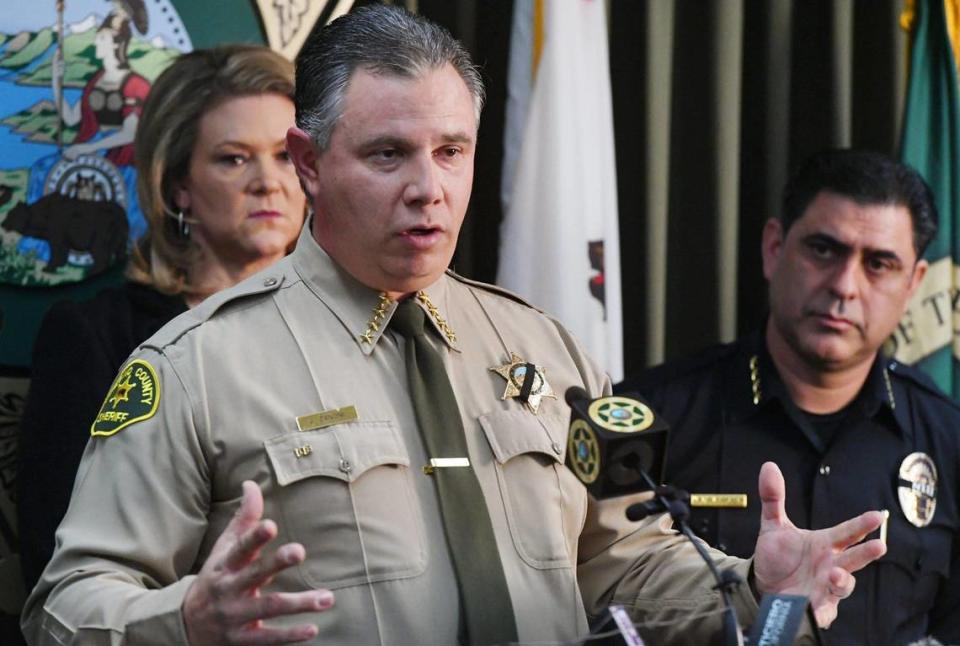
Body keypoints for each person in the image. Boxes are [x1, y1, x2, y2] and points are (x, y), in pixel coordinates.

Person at [21, 8, 884, 645]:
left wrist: (751, 585)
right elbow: (66, 606)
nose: (429, 188)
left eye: (453, 150)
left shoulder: (541, 347)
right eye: (389, 154)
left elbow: (617, 565)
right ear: (312, 165)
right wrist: (188, 621)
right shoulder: (195, 365)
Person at [616, 148, 959, 645]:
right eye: (824, 250)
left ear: (914, 285)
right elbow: (598, 595)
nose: (844, 286)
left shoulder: (948, 439)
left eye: (879, 264)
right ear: (774, 248)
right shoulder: (653, 419)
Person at [16, 43, 306, 595]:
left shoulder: (353, 318)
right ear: (178, 187)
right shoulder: (95, 338)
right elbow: (59, 574)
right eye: (234, 158)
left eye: (286, 155)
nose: (269, 181)